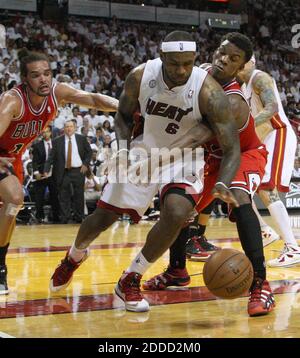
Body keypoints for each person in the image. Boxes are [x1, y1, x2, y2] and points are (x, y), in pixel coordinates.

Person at [49, 31, 241, 313]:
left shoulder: (209, 92)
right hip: (143, 150)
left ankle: (131, 276)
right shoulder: (140, 75)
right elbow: (124, 116)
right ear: (161, 57)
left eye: (188, 63)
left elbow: (232, 146)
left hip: (183, 157)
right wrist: (123, 149)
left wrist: (223, 183)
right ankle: (74, 257)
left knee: (176, 213)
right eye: (174, 63)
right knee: (103, 217)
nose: (181, 70)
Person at [143, 32, 275, 317]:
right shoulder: (199, 73)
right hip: (210, 156)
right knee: (178, 205)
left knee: (239, 197)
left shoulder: (235, 102)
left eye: (233, 58)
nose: (223, 58)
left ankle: (261, 284)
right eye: (222, 51)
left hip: (243, 153)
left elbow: (195, 136)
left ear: (240, 68)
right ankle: (177, 270)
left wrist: (156, 156)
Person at [0, 48, 118, 295]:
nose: (43, 79)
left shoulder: (57, 93)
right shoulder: (13, 100)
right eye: (35, 75)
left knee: (12, 208)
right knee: (15, 198)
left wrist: (127, 108)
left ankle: (0, 267)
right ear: (24, 79)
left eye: (47, 73)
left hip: (14, 160)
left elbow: (94, 99)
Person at [237, 57, 300, 267]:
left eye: (241, 62)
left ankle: (292, 248)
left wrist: (247, 127)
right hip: (263, 138)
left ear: (250, 62)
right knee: (242, 187)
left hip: (278, 133)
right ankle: (265, 230)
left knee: (266, 188)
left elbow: (272, 107)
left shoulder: (259, 78)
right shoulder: (242, 87)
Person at [44, 120, 92, 223]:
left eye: (71, 126)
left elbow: (89, 152)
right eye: (67, 127)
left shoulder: (81, 139)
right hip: (63, 172)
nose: (69, 128)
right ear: (64, 129)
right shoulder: (57, 141)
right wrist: (46, 169)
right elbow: (51, 157)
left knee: (79, 195)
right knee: (63, 195)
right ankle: (65, 218)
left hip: (79, 170)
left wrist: (85, 164)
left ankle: (79, 217)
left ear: (75, 128)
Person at [32, 125, 60, 223]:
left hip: (54, 174)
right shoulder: (37, 145)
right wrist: (36, 173)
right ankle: (40, 216)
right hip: (41, 174)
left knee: (55, 196)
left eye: (47, 131)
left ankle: (56, 217)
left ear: (51, 132)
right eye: (43, 132)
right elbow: (34, 161)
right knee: (39, 197)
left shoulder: (56, 144)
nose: (45, 134)